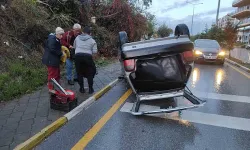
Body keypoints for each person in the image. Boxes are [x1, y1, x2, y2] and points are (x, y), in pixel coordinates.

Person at [74, 26, 97, 94]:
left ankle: (81, 89)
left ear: (83, 32)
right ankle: (90, 89)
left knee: (79, 73)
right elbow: (95, 52)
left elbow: (74, 47)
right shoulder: (92, 40)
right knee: (90, 73)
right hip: (87, 57)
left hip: (78, 56)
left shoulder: (77, 38)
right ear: (90, 33)